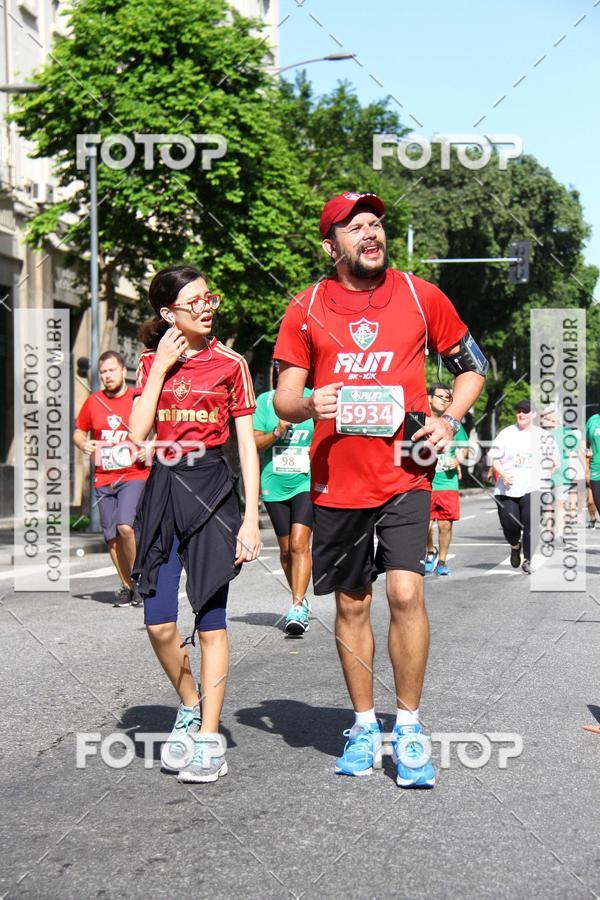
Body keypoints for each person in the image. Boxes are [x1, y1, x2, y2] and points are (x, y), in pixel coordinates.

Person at [273, 191, 487, 788]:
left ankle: (410, 727)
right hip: (337, 477)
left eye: (375, 223)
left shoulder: (421, 295)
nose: (370, 232)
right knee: (350, 603)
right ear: (330, 244)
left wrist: (449, 420)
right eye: (354, 226)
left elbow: (475, 364)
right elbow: (285, 397)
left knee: (405, 595)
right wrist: (310, 399)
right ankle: (365, 725)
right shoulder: (307, 305)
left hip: (408, 466)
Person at [129, 265, 261, 784]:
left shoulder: (232, 364)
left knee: (211, 619)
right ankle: (189, 705)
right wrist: (160, 367)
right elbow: (138, 435)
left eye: (211, 298)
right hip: (163, 486)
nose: (208, 306)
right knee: (158, 621)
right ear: (169, 314)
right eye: (196, 301)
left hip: (211, 486)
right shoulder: (148, 364)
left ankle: (208, 738)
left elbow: (246, 445)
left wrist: (250, 518)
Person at [73, 351, 149, 607]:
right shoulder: (93, 402)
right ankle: (127, 586)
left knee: (125, 526)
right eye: (103, 372)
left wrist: (148, 447)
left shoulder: (137, 399)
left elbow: (157, 427)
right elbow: (78, 432)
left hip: (133, 473)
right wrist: (83, 443)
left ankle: (140, 578)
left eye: (111, 370)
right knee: (111, 537)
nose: (107, 376)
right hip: (104, 477)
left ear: (122, 371)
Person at [253, 361, 314, 635]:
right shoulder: (265, 402)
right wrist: (276, 432)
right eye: (281, 367)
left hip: (305, 483)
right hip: (274, 484)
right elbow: (252, 441)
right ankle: (299, 597)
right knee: (287, 549)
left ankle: (297, 605)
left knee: (300, 544)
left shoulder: (314, 399)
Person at [491, 399, 558, 574]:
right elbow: (495, 459)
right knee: (510, 525)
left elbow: (554, 462)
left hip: (535, 488)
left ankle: (528, 560)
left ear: (533, 415)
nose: (521, 414)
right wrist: (503, 474)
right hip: (507, 489)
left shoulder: (544, 436)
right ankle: (515, 546)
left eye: (525, 411)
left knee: (531, 523)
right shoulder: (507, 433)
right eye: (519, 410)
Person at [424, 383, 469, 576]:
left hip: (447, 483)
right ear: (429, 398)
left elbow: (465, 446)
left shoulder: (453, 424)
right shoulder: (422, 422)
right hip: (425, 483)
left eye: (448, 398)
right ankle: (430, 550)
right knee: (424, 524)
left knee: (444, 525)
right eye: (441, 397)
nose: (445, 401)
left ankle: (442, 561)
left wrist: (458, 458)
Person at [585, 409, 600, 527]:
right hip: (595, 469)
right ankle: (593, 518)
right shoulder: (593, 420)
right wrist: (586, 469)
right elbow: (583, 445)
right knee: (594, 501)